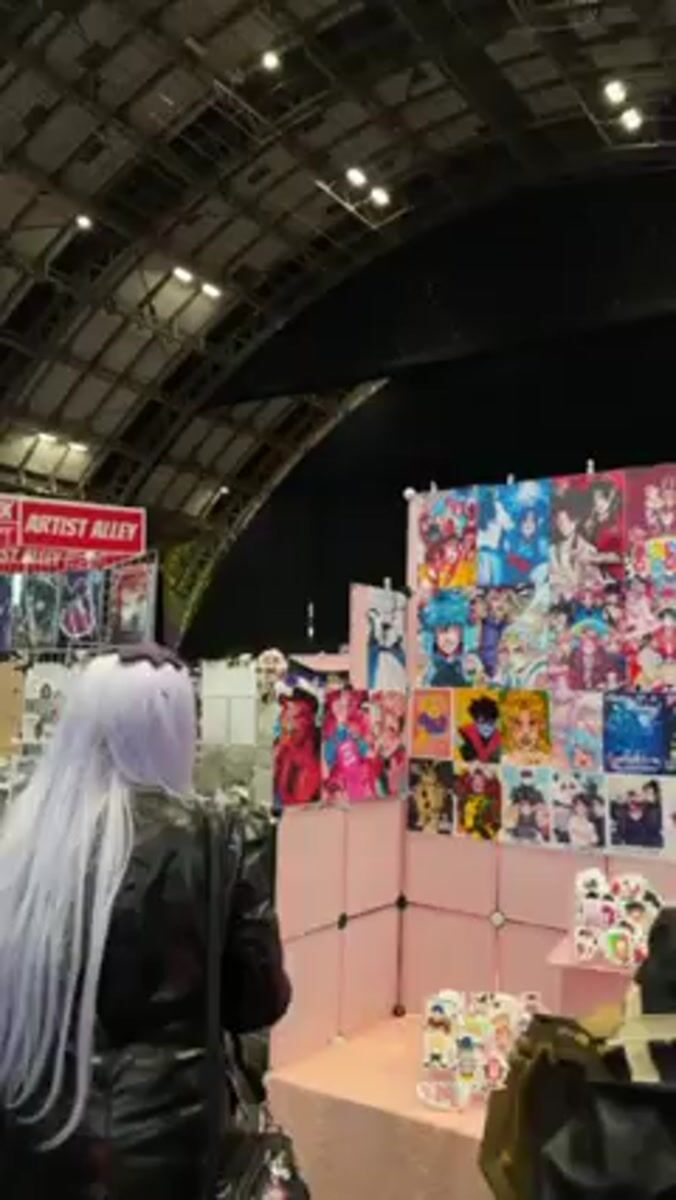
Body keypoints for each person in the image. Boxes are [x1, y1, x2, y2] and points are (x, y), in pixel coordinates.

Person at [0, 645, 291, 1200]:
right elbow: (257, 1003)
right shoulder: (224, 837)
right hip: (170, 1152)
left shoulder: (28, 837)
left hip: (36, 1136)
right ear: (179, 730)